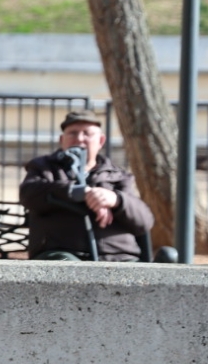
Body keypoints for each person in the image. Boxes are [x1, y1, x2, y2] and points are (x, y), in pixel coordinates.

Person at [19, 110, 153, 262]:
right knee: (65, 266)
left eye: (87, 133)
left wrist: (116, 200)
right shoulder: (44, 167)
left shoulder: (119, 176)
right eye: (73, 133)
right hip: (63, 254)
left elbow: (144, 221)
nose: (79, 138)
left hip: (119, 258)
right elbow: (28, 194)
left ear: (101, 140)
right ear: (62, 140)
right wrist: (79, 192)